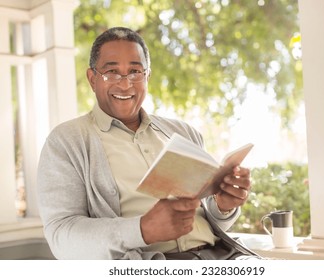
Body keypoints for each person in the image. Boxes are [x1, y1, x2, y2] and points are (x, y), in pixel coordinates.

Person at [37, 26, 259, 260]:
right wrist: (142, 230)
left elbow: (209, 221)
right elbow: (61, 236)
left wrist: (223, 206)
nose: (125, 84)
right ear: (93, 79)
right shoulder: (66, 141)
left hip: (222, 257)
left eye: (135, 72)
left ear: (147, 77)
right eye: (111, 72)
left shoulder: (184, 133)